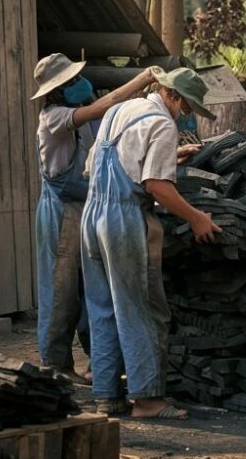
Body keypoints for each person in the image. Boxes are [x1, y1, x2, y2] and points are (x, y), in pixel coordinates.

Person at [81, 66, 221, 420]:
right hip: (123, 220)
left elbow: (92, 167)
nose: (184, 115)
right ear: (170, 95)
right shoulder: (162, 124)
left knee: (103, 309)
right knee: (140, 307)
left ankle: (107, 396)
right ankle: (147, 400)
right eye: (185, 107)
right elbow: (157, 186)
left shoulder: (117, 111)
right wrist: (196, 217)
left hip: (92, 215)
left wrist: (168, 157)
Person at [31, 53, 157, 381]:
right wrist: (143, 79)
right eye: (71, 82)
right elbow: (105, 105)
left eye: (77, 78)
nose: (79, 84)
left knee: (93, 291)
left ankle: (99, 364)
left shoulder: (87, 118)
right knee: (61, 291)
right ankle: (55, 365)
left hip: (88, 207)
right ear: (56, 91)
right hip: (61, 211)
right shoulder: (55, 118)